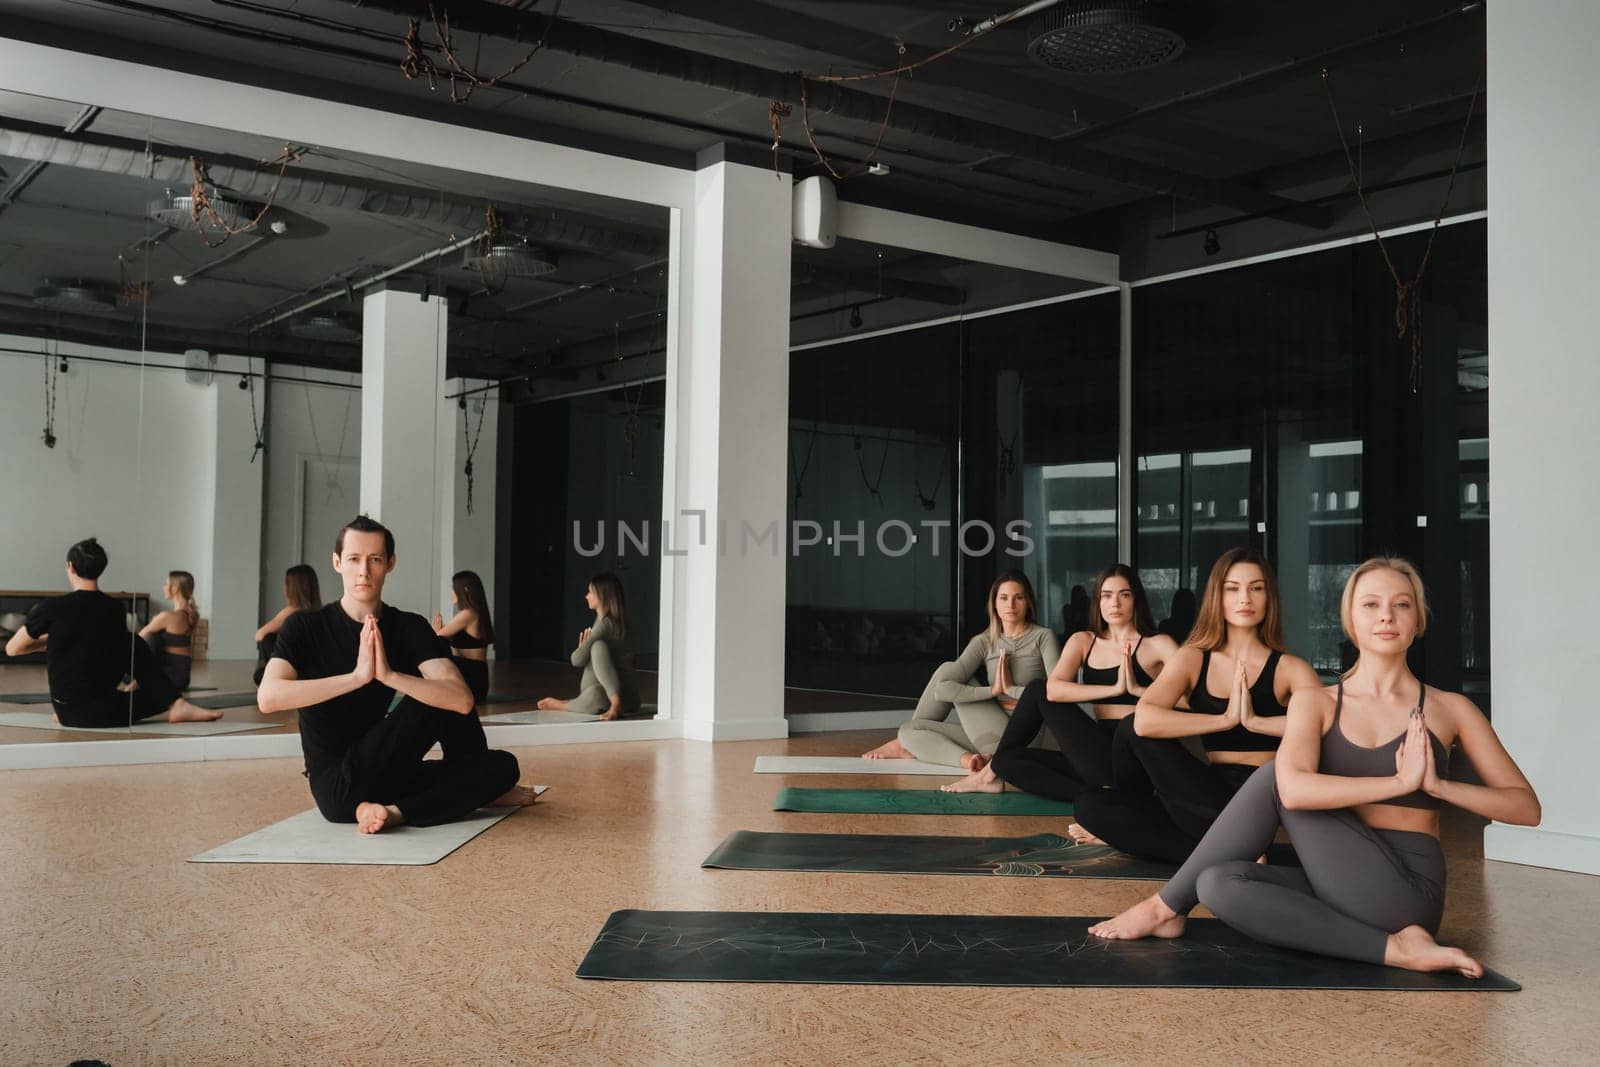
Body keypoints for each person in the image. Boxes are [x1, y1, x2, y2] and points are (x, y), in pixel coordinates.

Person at [1089, 557, 1541, 979]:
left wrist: (1437, 785)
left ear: (1417, 621)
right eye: (1371, 604)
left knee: (1274, 779)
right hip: (1332, 874)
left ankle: (1163, 908)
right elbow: (1297, 793)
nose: (1387, 616)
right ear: (1351, 620)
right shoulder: (1318, 702)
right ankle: (1392, 948)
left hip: (1404, 888)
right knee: (1218, 883)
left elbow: (1526, 808)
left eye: (1401, 605)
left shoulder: (1450, 709)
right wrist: (1398, 782)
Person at [257, 516, 536, 833]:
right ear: (337, 563)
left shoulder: (408, 626)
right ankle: (460, 794)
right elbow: (268, 698)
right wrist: (357, 678)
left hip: (386, 768)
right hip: (338, 787)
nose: (363, 571)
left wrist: (388, 675)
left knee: (502, 767)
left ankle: (395, 811)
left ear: (390, 563)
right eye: (353, 559)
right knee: (341, 801)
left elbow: (461, 700)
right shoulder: (306, 627)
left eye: (374, 559)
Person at [1068, 547, 1320, 862]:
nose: (1245, 598)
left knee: (1117, 812)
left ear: (1269, 598)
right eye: (1233, 589)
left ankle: (1209, 847)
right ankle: (1228, 853)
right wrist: (1224, 720)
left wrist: (1256, 722)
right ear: (1217, 596)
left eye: (1256, 588)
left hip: (1256, 793)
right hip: (1202, 789)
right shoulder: (1193, 658)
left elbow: (1324, 729)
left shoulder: (1290, 668)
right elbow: (1144, 720)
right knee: (1090, 804)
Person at [943, 564, 1179, 797]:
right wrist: (1113, 688)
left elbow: (1188, 703)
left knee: (1034, 697)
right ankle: (1100, 795)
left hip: (1136, 753)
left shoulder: (1159, 644)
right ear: (1098, 601)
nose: (1115, 603)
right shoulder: (1084, 641)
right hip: (1098, 750)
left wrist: (1137, 690)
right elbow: (1053, 690)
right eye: (1107, 596)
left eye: (1124, 595)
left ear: (1136, 599)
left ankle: (987, 775)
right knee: (1007, 760)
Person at [3, 538, 221, 727]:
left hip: (70, 713)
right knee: (132, 644)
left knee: (127, 643)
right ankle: (178, 705)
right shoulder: (115, 609)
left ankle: (178, 706)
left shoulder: (53, 607)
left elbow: (13, 649)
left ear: (70, 567)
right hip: (108, 710)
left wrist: (54, 640)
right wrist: (61, 639)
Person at [863, 570, 1060, 769]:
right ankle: (968, 760)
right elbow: (942, 690)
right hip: (986, 728)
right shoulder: (985, 640)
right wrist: (992, 691)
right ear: (994, 604)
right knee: (909, 729)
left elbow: (1055, 692)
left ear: (1028, 603)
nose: (1010, 605)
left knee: (953, 678)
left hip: (1024, 732)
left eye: (1018, 597)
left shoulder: (1043, 637)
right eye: (1004, 598)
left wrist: (1010, 689)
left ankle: (909, 746)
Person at [536, 572, 641, 720]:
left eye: (590, 592)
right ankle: (580, 702)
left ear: (602, 596)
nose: (587, 596)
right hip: (631, 699)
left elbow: (576, 660)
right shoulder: (616, 621)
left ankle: (611, 703)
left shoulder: (605, 624)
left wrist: (583, 646)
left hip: (620, 698)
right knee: (595, 692)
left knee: (597, 648)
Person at [433, 570, 495, 709]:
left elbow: (437, 637)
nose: (451, 591)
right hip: (469, 676)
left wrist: (437, 632)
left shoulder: (468, 614)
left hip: (472, 680)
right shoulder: (472, 613)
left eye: (453, 588)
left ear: (465, 589)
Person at [253, 564, 321, 686]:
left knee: (268, 639)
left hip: (296, 672)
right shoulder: (321, 612)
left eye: (286, 584)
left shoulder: (292, 612)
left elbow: (259, 635)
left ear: (291, 588)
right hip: (315, 671)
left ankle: (276, 678)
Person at [139, 570, 199, 691]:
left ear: (175, 589)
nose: (163, 587)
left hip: (170, 677)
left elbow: (138, 638)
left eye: (166, 584)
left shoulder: (168, 616)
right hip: (182, 678)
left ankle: (137, 681)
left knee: (150, 636)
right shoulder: (188, 614)